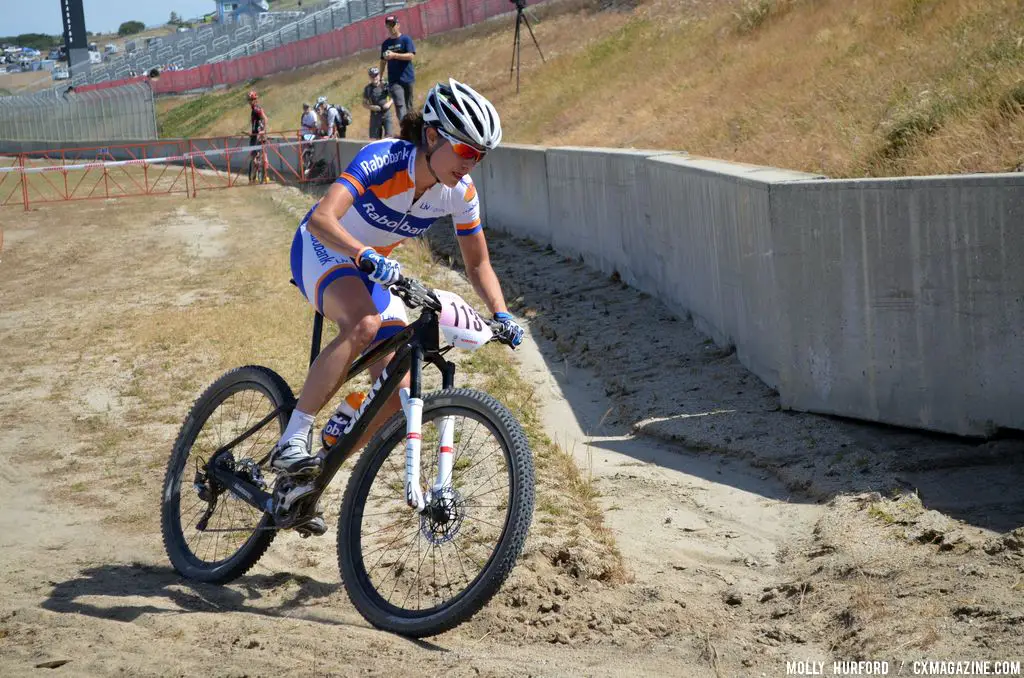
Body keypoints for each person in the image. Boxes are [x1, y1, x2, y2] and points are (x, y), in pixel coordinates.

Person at [278, 78, 523, 488]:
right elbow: (322, 219)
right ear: (431, 135)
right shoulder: (386, 158)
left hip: (370, 268)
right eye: (463, 149)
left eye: (478, 156)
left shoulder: (459, 193)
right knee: (364, 324)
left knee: (400, 394)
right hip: (323, 246)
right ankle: (293, 438)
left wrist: (502, 313)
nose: (469, 163)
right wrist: (364, 255)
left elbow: (478, 262)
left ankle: (312, 474)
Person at [379, 15, 415, 127]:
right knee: (400, 104)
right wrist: (380, 77)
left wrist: (394, 55)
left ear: (398, 25)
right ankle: (404, 127)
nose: (390, 28)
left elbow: (410, 56)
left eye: (393, 25)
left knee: (409, 106)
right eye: (388, 26)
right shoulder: (385, 44)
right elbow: (383, 61)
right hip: (394, 80)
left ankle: (412, 128)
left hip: (407, 78)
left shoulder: (406, 39)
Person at [362, 66, 393, 139]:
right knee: (375, 139)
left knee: (389, 137)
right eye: (372, 76)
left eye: (376, 75)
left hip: (386, 114)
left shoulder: (385, 85)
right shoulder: (368, 88)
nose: (374, 77)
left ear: (379, 75)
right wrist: (372, 107)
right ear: (370, 77)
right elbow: (364, 103)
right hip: (375, 115)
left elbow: (393, 97)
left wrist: (388, 104)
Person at [248, 90, 269, 182]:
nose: (250, 101)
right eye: (249, 100)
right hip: (254, 134)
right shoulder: (253, 110)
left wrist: (263, 131)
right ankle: (257, 175)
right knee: (255, 156)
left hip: (258, 136)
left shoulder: (257, 109)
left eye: (251, 99)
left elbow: (265, 119)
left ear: (255, 100)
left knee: (258, 156)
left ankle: (260, 175)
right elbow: (255, 124)